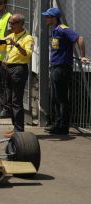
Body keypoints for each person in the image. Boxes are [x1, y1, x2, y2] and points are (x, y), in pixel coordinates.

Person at [42, 7, 88, 135]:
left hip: (62, 68)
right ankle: (57, 124)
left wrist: (82, 55)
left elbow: (79, 38)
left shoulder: (63, 29)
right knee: (55, 97)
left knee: (62, 98)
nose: (46, 19)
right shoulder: (54, 30)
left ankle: (63, 127)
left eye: (48, 17)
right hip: (55, 67)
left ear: (54, 18)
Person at [0, 13, 34, 137]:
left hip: (19, 69)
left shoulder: (28, 38)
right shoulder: (10, 36)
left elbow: (27, 54)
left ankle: (19, 130)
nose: (10, 25)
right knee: (9, 99)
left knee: (16, 100)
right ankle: (15, 127)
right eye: (10, 23)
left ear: (21, 24)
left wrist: (16, 44)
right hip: (8, 68)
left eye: (13, 23)